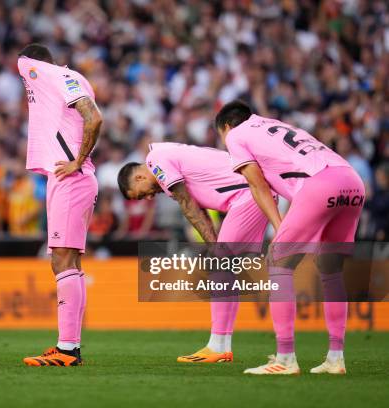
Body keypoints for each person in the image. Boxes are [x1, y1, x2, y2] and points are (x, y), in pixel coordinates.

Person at [216, 100, 364, 375]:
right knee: (330, 270)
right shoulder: (273, 124)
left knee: (278, 263)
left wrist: (278, 226)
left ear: (226, 127)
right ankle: (336, 358)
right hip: (351, 182)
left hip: (320, 185)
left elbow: (257, 184)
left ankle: (285, 359)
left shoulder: (236, 134)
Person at [117, 142, 270, 363]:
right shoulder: (167, 160)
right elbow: (199, 207)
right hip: (252, 193)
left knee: (220, 267)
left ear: (139, 178)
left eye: (141, 195)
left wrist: (214, 247)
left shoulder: (156, 161)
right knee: (225, 271)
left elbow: (187, 204)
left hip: (247, 195)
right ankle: (222, 346)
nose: (148, 198)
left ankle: (217, 346)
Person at [17, 43, 102, 366]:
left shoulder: (60, 76)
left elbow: (94, 118)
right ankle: (70, 346)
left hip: (72, 177)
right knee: (69, 262)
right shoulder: (62, 80)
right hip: (67, 177)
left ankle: (67, 349)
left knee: (63, 261)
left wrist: (77, 161)